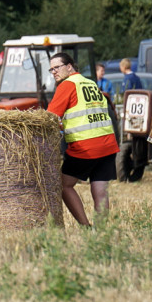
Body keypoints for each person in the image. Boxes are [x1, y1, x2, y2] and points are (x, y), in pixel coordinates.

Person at [46, 53, 119, 226]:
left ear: (69, 67)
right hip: (107, 143)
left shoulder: (67, 85)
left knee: (63, 185)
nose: (54, 72)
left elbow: (49, 116)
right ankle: (101, 231)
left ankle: (85, 226)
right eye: (51, 69)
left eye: (57, 67)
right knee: (100, 190)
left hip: (85, 145)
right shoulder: (90, 83)